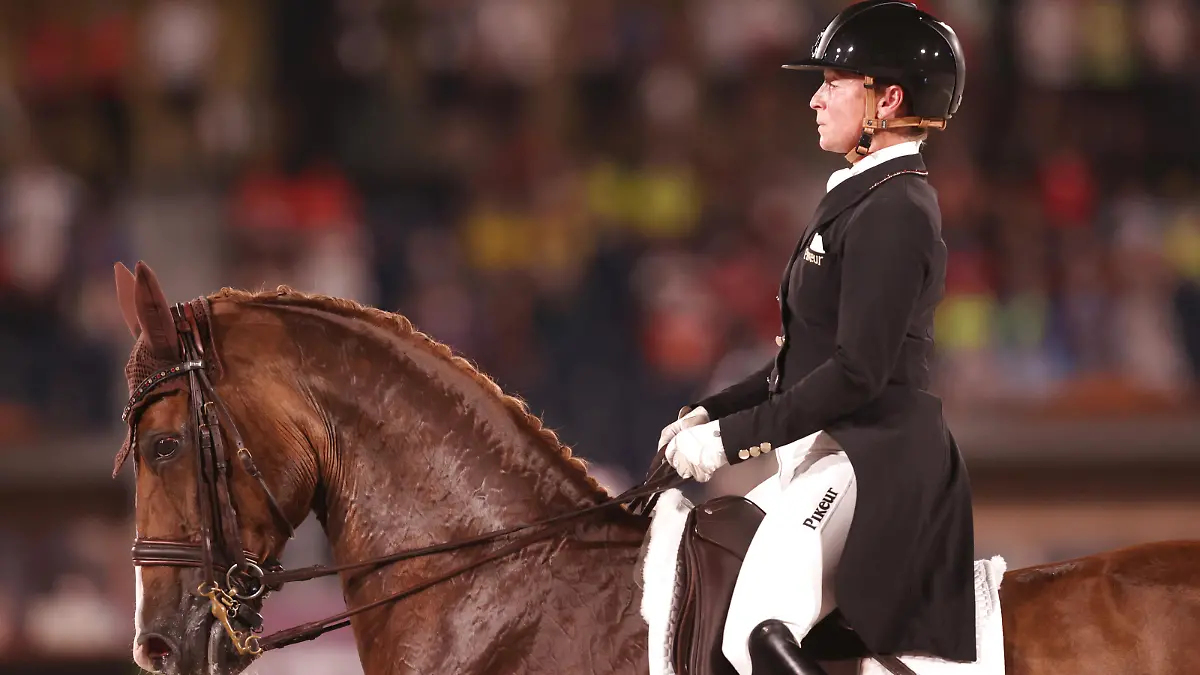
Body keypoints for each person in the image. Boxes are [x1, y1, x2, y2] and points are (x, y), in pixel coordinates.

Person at [656, 2, 975, 674]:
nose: (814, 99)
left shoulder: (896, 207)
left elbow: (857, 372)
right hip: (831, 449)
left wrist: (728, 442)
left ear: (888, 99)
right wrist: (712, 410)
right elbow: (799, 363)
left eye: (833, 83)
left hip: (872, 457)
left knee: (753, 631)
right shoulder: (863, 194)